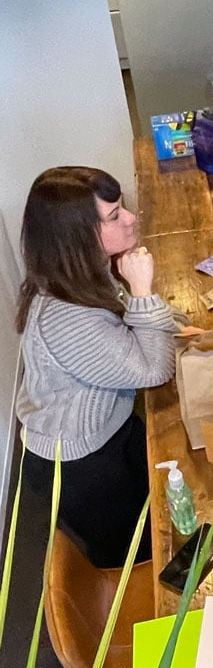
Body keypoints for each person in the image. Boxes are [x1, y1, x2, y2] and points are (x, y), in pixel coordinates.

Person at [16, 167, 180, 568]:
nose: (131, 218)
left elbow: (123, 323)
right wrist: (143, 291)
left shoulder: (80, 274)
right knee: (135, 556)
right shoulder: (66, 317)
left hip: (111, 424)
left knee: (159, 510)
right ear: (78, 237)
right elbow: (154, 369)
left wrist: (168, 320)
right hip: (80, 463)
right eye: (114, 216)